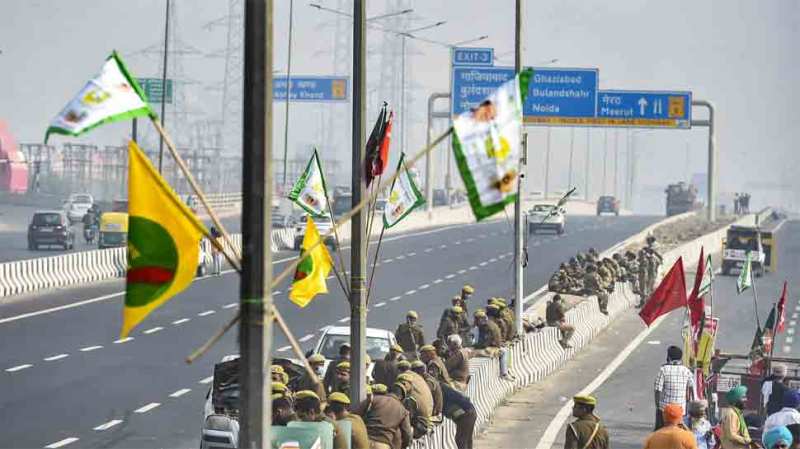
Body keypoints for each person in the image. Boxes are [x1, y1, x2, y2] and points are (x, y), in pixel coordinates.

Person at [353, 381, 413, 449]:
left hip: (365, 440)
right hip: (382, 444)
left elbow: (356, 415)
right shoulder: (403, 411)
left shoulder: (374, 399)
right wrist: (404, 445)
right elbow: (407, 434)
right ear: (401, 397)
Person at [653, 345, 695, 430]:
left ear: (668, 357)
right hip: (681, 410)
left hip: (665, 409)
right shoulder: (686, 371)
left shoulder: (663, 370)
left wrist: (658, 406)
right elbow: (692, 388)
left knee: (659, 431)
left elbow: (657, 390)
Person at [441, 382, 477, 449]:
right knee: (467, 439)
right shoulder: (445, 389)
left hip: (467, 414)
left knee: (461, 440)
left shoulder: (442, 390)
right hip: (470, 412)